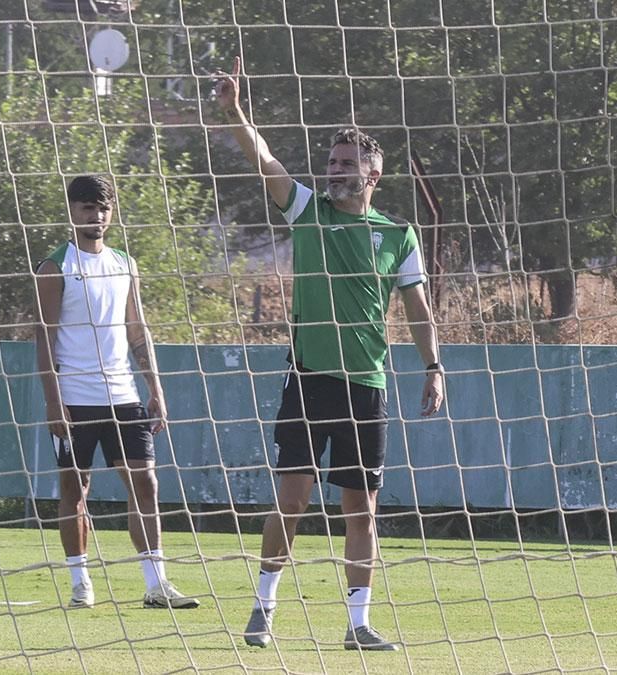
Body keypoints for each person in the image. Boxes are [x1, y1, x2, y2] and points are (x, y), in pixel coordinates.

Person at [213, 58, 445, 651]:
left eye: (347, 164)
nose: (335, 170)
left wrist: (433, 367)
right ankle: (264, 606)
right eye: (332, 162)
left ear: (373, 173)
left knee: (360, 510)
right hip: (309, 379)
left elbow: (418, 309)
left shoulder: (398, 234)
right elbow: (265, 159)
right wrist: (236, 113)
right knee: (292, 499)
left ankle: (358, 624)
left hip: (367, 386)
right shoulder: (306, 209)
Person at [34, 174, 199, 610]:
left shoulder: (125, 263)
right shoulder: (54, 267)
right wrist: (53, 400)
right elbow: (44, 337)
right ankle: (80, 581)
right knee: (76, 489)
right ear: (73, 210)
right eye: (88, 207)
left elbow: (137, 328)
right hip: (74, 398)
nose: (97, 216)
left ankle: (156, 584)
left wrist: (155, 386)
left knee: (146, 481)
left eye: (103, 208)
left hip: (123, 395)